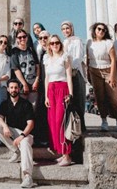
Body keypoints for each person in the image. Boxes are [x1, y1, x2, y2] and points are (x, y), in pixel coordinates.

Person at [0, 79, 34, 189]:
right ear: (7, 89)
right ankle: (16, 151)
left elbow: (30, 124)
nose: (13, 90)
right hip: (12, 132)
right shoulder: (5, 104)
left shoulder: (26, 104)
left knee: (24, 143)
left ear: (19, 89)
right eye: (11, 87)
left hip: (26, 134)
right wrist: (5, 126)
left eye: (16, 87)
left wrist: (22, 136)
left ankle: (27, 176)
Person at [86, 22, 117, 132]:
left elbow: (113, 60)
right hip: (94, 70)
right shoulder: (89, 42)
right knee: (99, 96)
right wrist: (88, 74)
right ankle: (104, 120)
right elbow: (87, 59)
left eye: (103, 30)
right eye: (99, 29)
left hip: (107, 69)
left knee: (113, 96)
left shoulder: (108, 43)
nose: (101, 31)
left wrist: (112, 75)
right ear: (94, 30)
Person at [44, 34, 73, 166]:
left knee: (61, 121)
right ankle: (61, 152)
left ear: (60, 44)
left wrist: (70, 94)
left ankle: (67, 155)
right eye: (52, 43)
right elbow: (46, 78)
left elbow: (68, 76)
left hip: (62, 89)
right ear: (49, 45)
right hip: (51, 90)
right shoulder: (47, 58)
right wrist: (46, 96)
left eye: (57, 43)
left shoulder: (64, 57)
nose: (55, 45)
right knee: (53, 122)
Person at [60, 20, 87, 131]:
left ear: (71, 29)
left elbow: (78, 56)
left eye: (67, 28)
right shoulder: (63, 42)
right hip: (66, 74)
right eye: (63, 29)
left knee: (78, 99)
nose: (66, 31)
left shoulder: (77, 40)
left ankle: (81, 126)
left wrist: (70, 68)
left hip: (75, 72)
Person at [11, 29, 40, 110]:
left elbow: (37, 67)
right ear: (17, 39)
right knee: (21, 109)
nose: (22, 39)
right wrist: (24, 84)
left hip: (33, 84)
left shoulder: (31, 50)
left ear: (27, 38)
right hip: (21, 86)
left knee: (32, 109)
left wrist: (36, 81)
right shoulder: (14, 51)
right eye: (20, 37)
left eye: (24, 37)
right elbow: (16, 69)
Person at [33, 30, 50, 146]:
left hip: (50, 84)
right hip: (40, 84)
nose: (43, 40)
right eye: (41, 38)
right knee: (40, 111)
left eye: (45, 38)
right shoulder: (37, 52)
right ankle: (41, 137)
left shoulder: (53, 50)